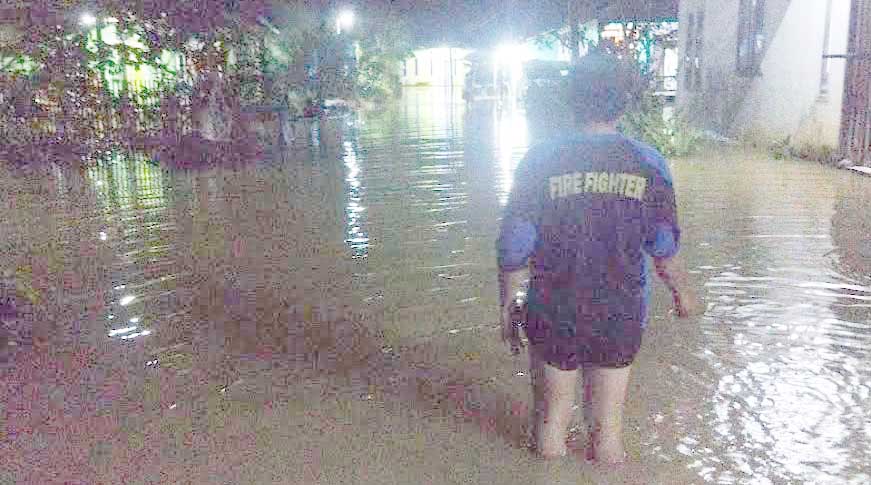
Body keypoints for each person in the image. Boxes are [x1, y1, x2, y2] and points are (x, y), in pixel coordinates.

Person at [496, 52, 700, 465]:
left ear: (571, 101)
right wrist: (684, 295)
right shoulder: (648, 163)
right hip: (619, 313)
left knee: (551, 427)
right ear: (624, 103)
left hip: (554, 309)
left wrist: (508, 304)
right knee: (608, 437)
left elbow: (514, 247)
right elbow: (663, 247)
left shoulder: (539, 161)